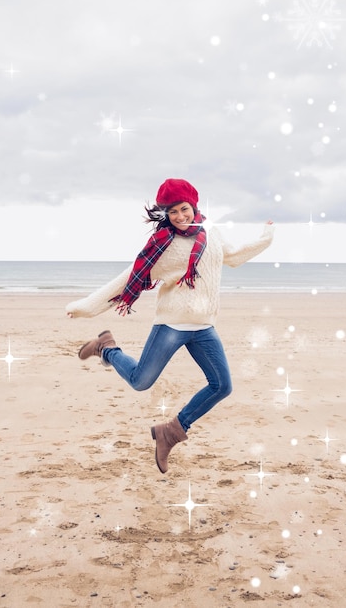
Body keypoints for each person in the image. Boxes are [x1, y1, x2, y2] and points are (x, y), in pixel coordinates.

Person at [66, 179, 274, 473]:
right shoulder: (163, 246)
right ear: (165, 213)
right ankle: (107, 347)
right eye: (172, 212)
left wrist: (266, 238)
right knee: (140, 381)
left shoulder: (210, 231)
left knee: (222, 386)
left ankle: (171, 431)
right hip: (172, 325)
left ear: (194, 206)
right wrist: (87, 307)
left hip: (203, 327)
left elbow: (234, 257)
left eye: (184, 209)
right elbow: (128, 278)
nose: (179, 216)